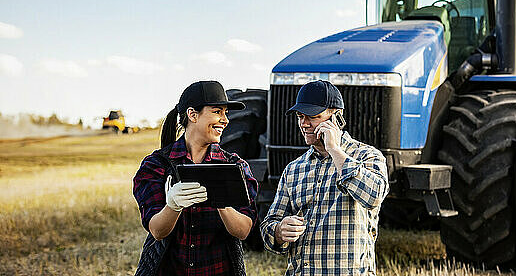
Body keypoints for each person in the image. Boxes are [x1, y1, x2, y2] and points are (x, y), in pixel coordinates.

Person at [260, 80, 389, 275]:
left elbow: (374, 196)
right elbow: (269, 225)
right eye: (300, 116)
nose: (303, 124)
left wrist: (335, 150)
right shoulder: (293, 169)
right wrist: (279, 231)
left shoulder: (368, 156)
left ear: (335, 117)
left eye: (312, 116)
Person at [133, 81, 258, 276]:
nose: (225, 120)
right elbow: (157, 231)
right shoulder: (156, 165)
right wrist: (172, 206)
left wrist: (221, 200)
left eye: (226, 113)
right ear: (192, 115)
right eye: (217, 111)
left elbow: (243, 231)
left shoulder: (236, 167)